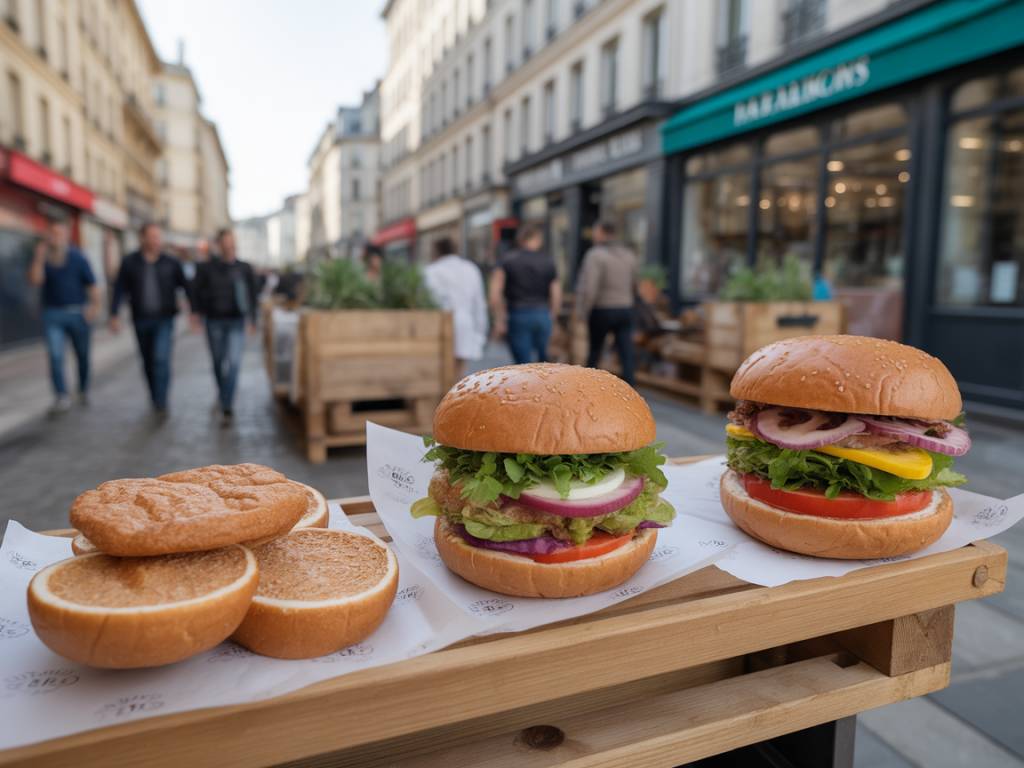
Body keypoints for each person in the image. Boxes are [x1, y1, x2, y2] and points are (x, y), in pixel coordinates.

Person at [108, 222, 195, 414]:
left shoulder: (171, 262)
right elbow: (119, 289)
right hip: (141, 319)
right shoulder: (130, 262)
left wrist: (193, 311)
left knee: (161, 358)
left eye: (159, 236)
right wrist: (114, 314)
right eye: (153, 236)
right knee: (148, 360)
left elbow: (186, 286)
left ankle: (161, 399)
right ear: (143, 238)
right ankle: (154, 393)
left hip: (165, 318)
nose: (157, 240)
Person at [26, 218, 100, 414]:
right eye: (53, 233)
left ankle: (83, 390)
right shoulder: (44, 257)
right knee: (55, 356)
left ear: (67, 235)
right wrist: (39, 257)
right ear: (48, 235)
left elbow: (92, 284)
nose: (56, 237)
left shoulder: (78, 257)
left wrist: (94, 307)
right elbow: (35, 280)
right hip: (53, 314)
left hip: (78, 313)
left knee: (82, 355)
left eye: (60, 233)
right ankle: (61, 395)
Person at [192, 228, 258, 425]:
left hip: (236, 322)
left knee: (235, 363)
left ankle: (227, 404)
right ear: (219, 244)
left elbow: (252, 295)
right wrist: (196, 313)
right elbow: (195, 291)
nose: (229, 246)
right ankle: (223, 395)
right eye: (225, 242)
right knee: (218, 362)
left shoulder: (244, 268)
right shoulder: (207, 268)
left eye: (232, 242)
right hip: (214, 322)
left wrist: (253, 320)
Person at [576, 219, 639, 385]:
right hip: (625, 308)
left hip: (602, 309)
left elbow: (590, 287)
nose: (594, 235)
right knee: (626, 352)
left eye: (595, 231)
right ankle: (631, 389)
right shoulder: (629, 255)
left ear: (602, 233)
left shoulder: (595, 255)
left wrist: (583, 311)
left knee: (595, 350)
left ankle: (589, 387)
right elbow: (635, 284)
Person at [488, 224, 561, 364]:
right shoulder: (548, 261)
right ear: (538, 240)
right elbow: (556, 293)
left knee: (522, 365)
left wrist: (499, 320)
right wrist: (553, 316)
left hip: (517, 314)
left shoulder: (506, 260)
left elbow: (494, 294)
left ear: (520, 240)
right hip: (543, 313)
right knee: (545, 364)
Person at [423, 237, 488, 379]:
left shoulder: (432, 271)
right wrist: (480, 333)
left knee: (443, 371)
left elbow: (429, 300)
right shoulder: (471, 268)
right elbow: (479, 304)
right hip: (466, 323)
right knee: (460, 372)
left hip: (441, 324)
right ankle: (455, 398)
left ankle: (448, 398)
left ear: (436, 251)